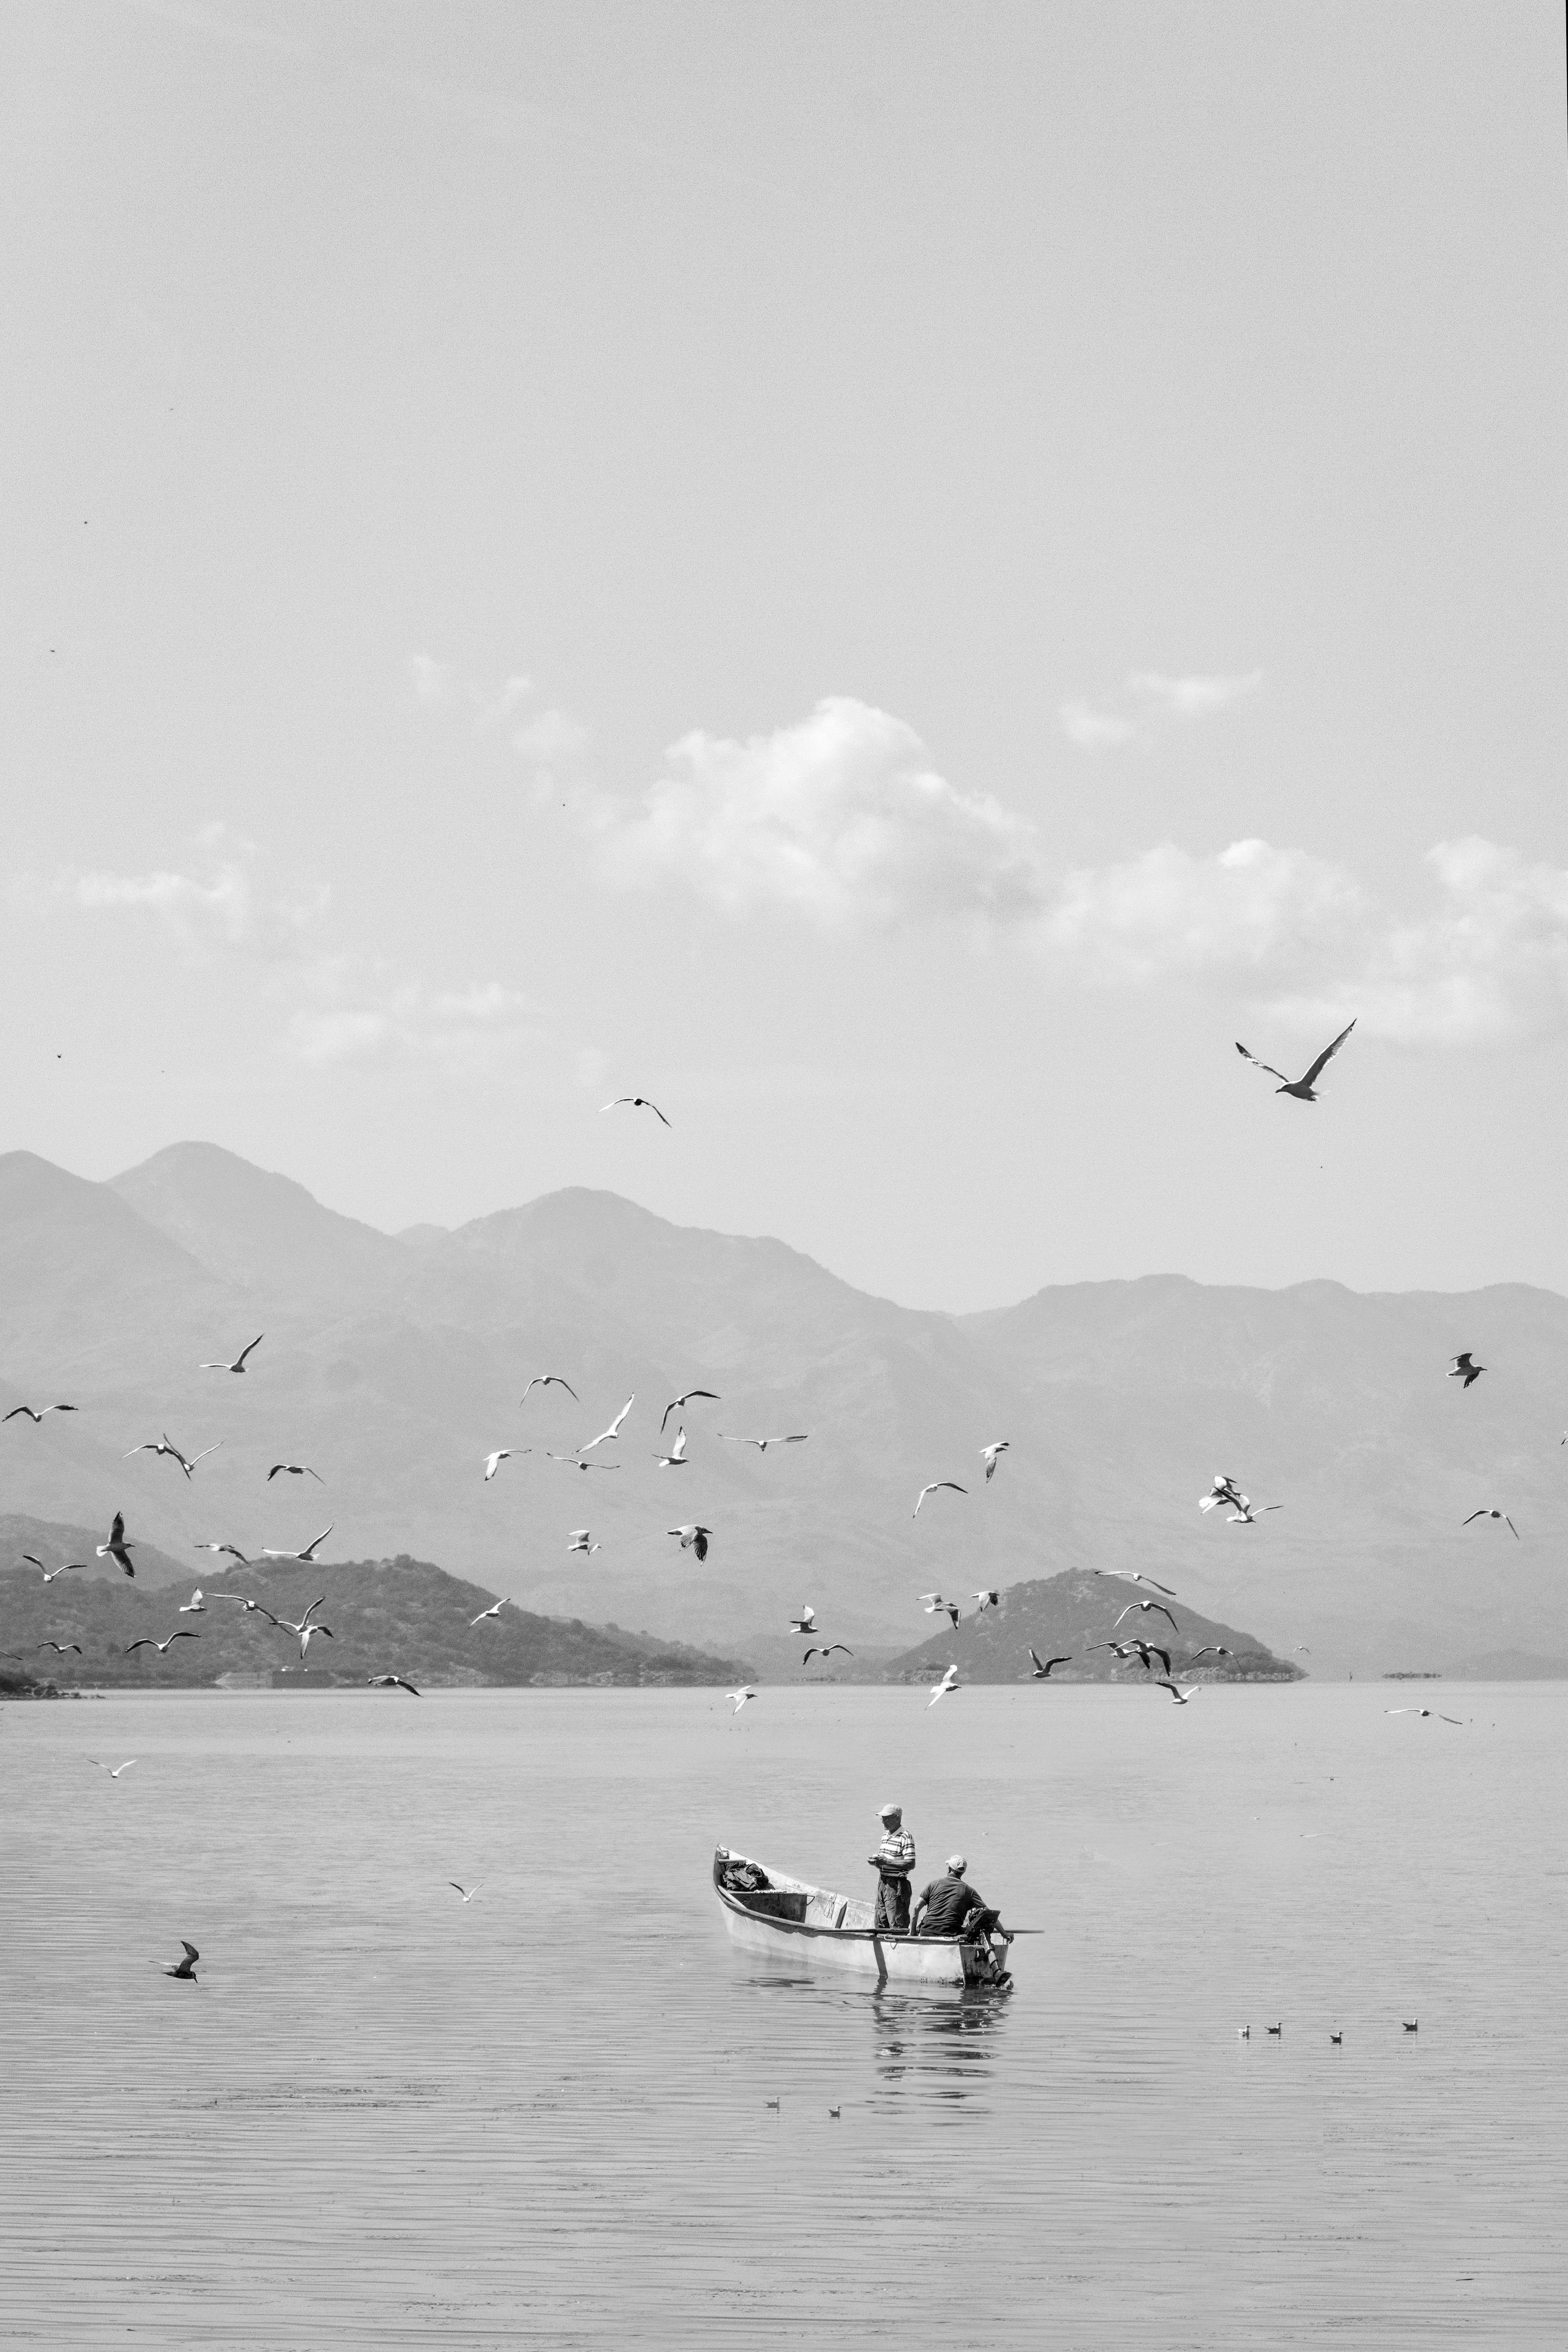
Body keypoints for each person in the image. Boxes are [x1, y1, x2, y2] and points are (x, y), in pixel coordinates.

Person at [911, 1854, 1014, 1975]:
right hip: (951, 1934)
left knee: (921, 1923)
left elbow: (917, 1908)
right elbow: (989, 1916)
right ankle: (991, 1968)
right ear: (962, 1873)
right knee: (971, 1932)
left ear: (949, 1868)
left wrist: (912, 1933)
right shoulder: (968, 1891)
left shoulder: (933, 1884)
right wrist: (1004, 1934)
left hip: (926, 1932)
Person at [868, 1802, 915, 1933]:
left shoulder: (906, 1836)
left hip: (897, 1885)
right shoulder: (885, 1836)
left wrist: (886, 1861)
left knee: (897, 1924)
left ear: (898, 1819)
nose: (884, 1821)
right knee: (881, 1922)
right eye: (883, 1818)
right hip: (883, 1882)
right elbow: (886, 1861)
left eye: (887, 1818)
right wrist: (877, 1862)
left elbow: (911, 1863)